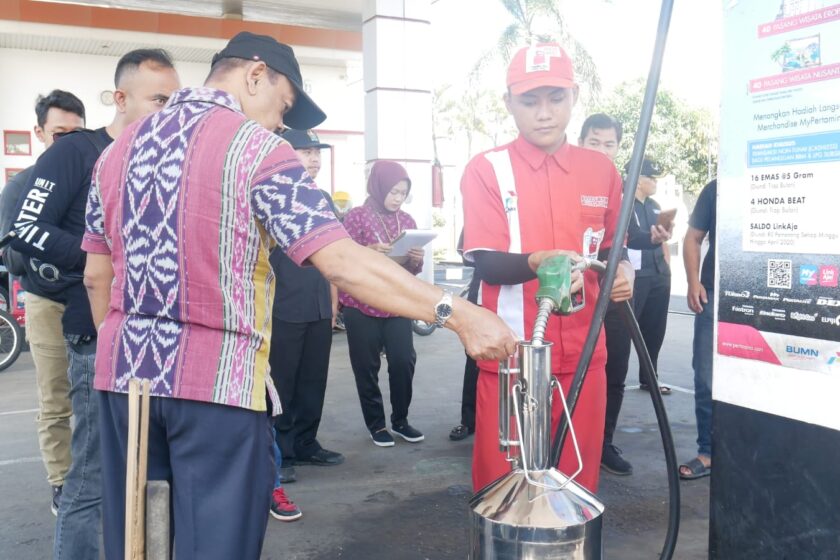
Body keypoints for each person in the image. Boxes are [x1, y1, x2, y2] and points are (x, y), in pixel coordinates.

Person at [82, 32, 515, 560]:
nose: (282, 124)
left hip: (122, 383)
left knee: (134, 542)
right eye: (283, 106)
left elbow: (96, 277)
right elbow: (341, 260)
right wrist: (457, 313)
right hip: (215, 386)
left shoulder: (117, 151)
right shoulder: (254, 147)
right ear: (255, 76)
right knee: (216, 545)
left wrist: (122, 355)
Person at [10, 49, 179, 560]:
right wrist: (95, 260)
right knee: (90, 478)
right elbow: (25, 227)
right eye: (159, 100)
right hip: (94, 334)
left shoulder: (163, 159)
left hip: (157, 341)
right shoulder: (75, 152)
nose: (169, 113)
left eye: (176, 101)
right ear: (121, 98)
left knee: (146, 473)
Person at [461, 43, 634, 494]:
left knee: (576, 488)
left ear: (574, 97)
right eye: (529, 100)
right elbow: (487, 262)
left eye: (555, 99)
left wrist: (625, 271)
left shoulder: (602, 171)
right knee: (504, 491)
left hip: (584, 360)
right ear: (509, 103)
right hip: (511, 357)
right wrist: (537, 261)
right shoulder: (487, 169)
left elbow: (615, 248)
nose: (544, 113)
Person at [0, 89, 84, 515]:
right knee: (55, 398)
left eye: (76, 134)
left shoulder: (97, 177)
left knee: (100, 396)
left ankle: (96, 474)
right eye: (59, 133)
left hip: (94, 299)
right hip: (47, 301)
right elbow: (11, 252)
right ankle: (60, 481)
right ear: (39, 133)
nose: (68, 142)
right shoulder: (21, 185)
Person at [578, 116, 671, 476]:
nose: (602, 150)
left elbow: (623, 240)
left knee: (613, 369)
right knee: (567, 372)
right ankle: (559, 441)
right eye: (594, 142)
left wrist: (650, 243)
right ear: (580, 140)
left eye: (609, 144)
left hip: (612, 295)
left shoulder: (618, 184)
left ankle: (603, 443)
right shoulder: (563, 178)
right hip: (569, 296)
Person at [269, 127, 343, 487]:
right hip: (282, 304)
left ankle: (306, 442)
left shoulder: (324, 199)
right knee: (282, 382)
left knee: (314, 379)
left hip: (317, 304)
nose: (314, 159)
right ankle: (281, 451)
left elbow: (334, 254)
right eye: (305, 151)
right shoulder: (273, 195)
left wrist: (332, 301)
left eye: (317, 152)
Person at [340, 160, 427, 447]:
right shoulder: (356, 216)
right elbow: (344, 260)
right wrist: (368, 251)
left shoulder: (408, 222)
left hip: (396, 303)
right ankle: (376, 425)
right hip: (361, 302)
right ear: (378, 187)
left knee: (404, 360)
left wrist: (415, 260)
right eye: (393, 191)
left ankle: (400, 420)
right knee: (366, 366)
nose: (397, 198)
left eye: (403, 193)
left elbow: (411, 271)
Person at [679, 179, 716, 480]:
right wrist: (693, 281)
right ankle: (709, 452)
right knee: (706, 377)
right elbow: (692, 237)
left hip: (775, 301)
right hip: (715, 297)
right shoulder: (717, 188)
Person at [626, 158, 673, 396]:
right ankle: (610, 381)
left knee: (655, 330)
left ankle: (650, 379)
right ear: (637, 178)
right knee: (625, 331)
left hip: (658, 273)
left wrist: (666, 265)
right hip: (634, 275)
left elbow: (662, 239)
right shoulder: (624, 203)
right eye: (651, 177)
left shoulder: (654, 205)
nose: (655, 182)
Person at [449, 230, 480, 441]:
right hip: (488, 285)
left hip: (530, 288)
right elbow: (467, 255)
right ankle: (469, 420)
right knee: (476, 354)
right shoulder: (490, 203)